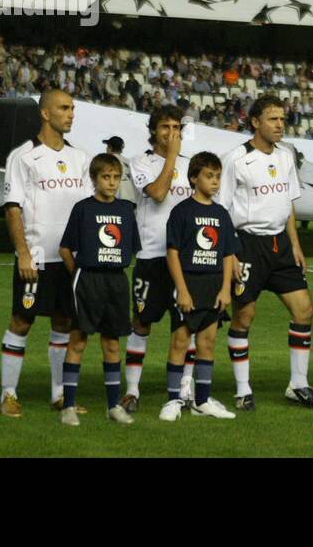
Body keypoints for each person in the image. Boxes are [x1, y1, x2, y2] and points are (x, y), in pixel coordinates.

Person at [218, 95, 313, 410]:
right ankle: (242, 389)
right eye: (273, 119)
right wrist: (232, 253)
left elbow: (287, 203)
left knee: (304, 310)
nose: (280, 124)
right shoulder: (235, 159)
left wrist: (296, 244)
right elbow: (222, 210)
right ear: (255, 122)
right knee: (244, 315)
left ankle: (299, 384)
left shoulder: (285, 156)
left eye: (282, 119)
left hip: (281, 245)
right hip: (247, 243)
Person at [0, 90, 92, 417]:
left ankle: (58, 394)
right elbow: (12, 209)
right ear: (45, 113)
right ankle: (8, 394)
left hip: (69, 259)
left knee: (64, 322)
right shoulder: (23, 156)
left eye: (72, 109)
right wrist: (22, 253)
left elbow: (86, 211)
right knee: (22, 320)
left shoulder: (80, 158)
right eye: (64, 108)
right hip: (36, 256)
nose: (70, 114)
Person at [56, 153, 141, 425]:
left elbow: (132, 248)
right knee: (78, 340)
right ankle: (68, 406)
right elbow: (65, 248)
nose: (112, 182)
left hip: (116, 281)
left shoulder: (127, 210)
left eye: (116, 177)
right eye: (106, 177)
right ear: (94, 179)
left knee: (112, 343)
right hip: (88, 280)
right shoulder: (83, 209)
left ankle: (113, 406)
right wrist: (79, 275)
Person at [123, 106, 194, 413]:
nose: (171, 133)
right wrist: (171, 159)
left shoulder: (193, 166)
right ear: (153, 131)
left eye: (176, 127)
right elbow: (159, 192)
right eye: (165, 127)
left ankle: (185, 390)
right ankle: (132, 389)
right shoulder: (140, 162)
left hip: (187, 261)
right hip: (152, 256)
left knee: (186, 326)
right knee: (141, 322)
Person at [160, 152, 240, 421]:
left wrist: (226, 288)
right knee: (180, 341)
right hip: (189, 282)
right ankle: (173, 400)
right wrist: (181, 289)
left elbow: (228, 253)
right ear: (194, 178)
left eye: (217, 176)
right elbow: (172, 253)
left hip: (214, 284)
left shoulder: (221, 214)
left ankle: (202, 400)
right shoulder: (181, 211)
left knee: (207, 342)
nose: (215, 181)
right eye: (209, 176)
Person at [103, 135, 136, 202]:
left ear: (110, 147)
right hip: (132, 201)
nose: (106, 149)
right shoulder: (128, 162)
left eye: (107, 147)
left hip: (117, 201)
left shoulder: (107, 161)